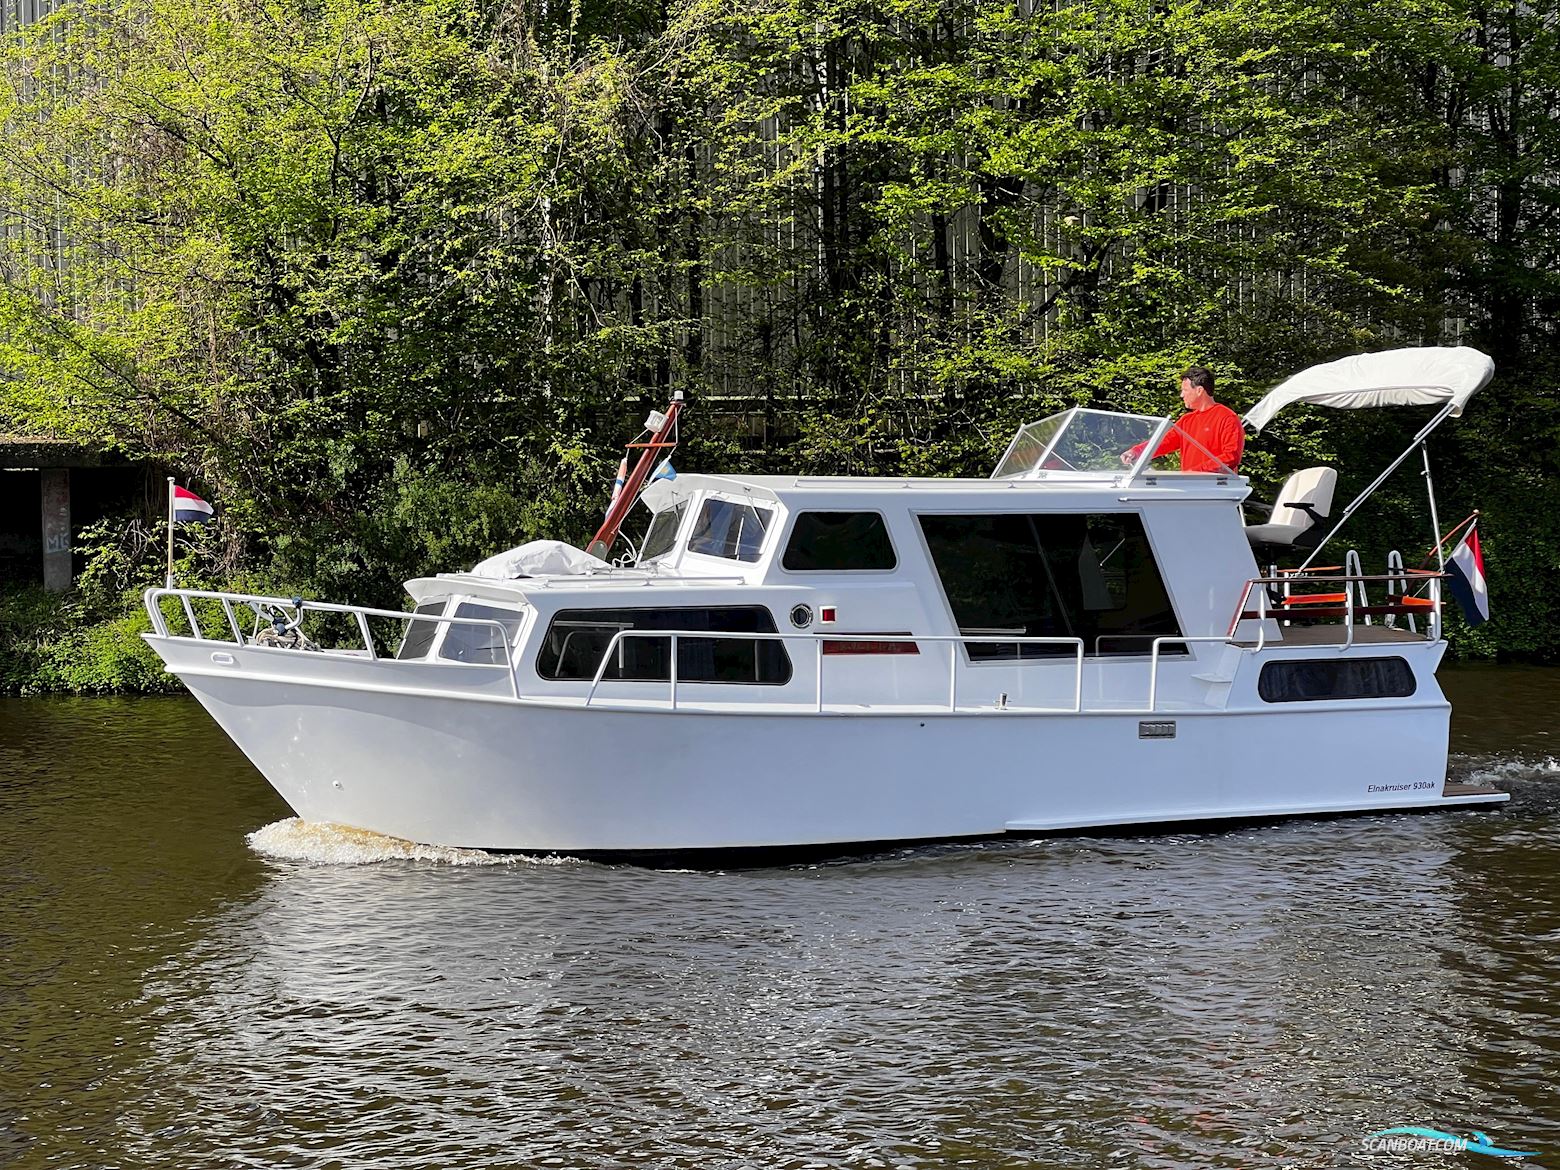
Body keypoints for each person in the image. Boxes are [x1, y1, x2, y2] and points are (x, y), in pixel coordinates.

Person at [1121, 366, 1244, 472]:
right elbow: (1164, 442)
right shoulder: (1187, 420)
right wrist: (1136, 452)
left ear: (1199, 390)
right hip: (1189, 486)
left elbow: (1231, 456)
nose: (1181, 395)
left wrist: (1195, 472)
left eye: (1185, 390)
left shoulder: (1227, 417)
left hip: (1216, 489)